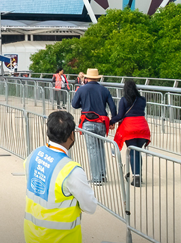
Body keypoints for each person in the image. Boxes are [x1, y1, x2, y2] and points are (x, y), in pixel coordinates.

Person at [24, 110, 99, 242]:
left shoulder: (34, 155)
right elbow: (90, 206)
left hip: (32, 236)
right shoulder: (71, 170)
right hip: (60, 239)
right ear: (72, 135)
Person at [70, 68, 115, 185]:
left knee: (92, 150)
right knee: (100, 148)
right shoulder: (104, 90)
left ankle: (96, 178)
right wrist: (112, 121)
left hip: (88, 122)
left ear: (86, 78)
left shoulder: (82, 89)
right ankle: (102, 174)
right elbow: (113, 107)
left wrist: (83, 103)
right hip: (101, 123)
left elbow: (74, 104)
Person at [112, 79, 152, 188]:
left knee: (132, 152)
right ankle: (138, 176)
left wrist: (111, 121)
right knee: (138, 151)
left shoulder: (124, 100)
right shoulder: (142, 99)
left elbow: (120, 116)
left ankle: (136, 177)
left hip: (130, 128)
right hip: (143, 127)